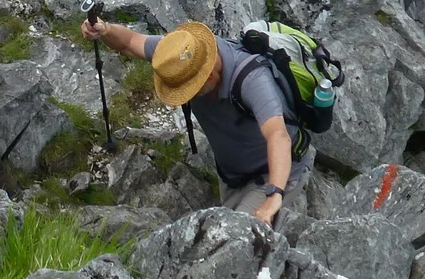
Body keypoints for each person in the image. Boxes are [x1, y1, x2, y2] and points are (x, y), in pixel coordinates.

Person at [81, 17, 298, 225]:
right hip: (232, 177)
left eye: (191, 89)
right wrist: (106, 30)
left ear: (210, 75)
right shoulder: (178, 57)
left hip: (270, 175)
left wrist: (274, 196)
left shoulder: (253, 79)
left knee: (235, 243)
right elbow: (129, 42)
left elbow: (278, 135)